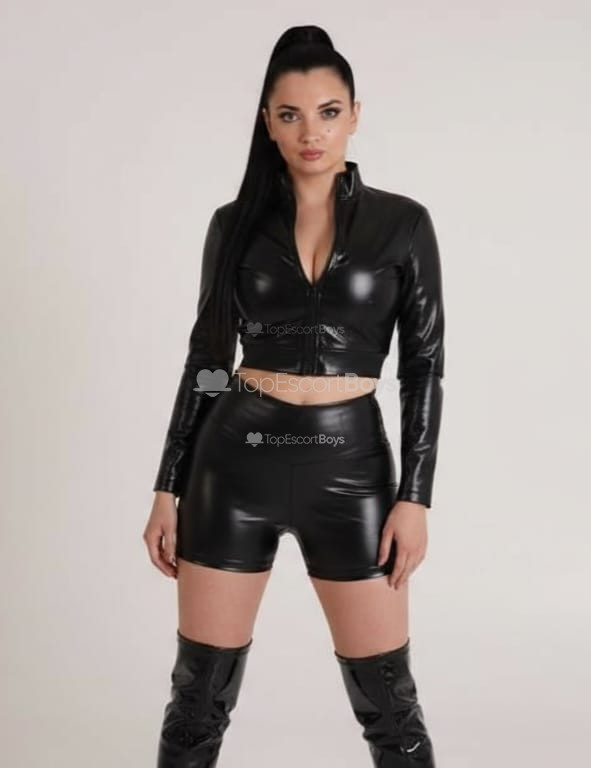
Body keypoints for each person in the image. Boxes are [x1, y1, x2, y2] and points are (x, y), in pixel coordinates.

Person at [143, 24, 445, 768]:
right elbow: (208, 361)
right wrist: (168, 485)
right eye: (290, 115)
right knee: (196, 703)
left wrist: (415, 496)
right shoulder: (233, 226)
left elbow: (424, 367)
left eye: (328, 112)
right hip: (234, 462)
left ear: (355, 114)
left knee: (391, 707)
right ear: (267, 122)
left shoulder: (403, 224)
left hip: (351, 467)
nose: (311, 132)